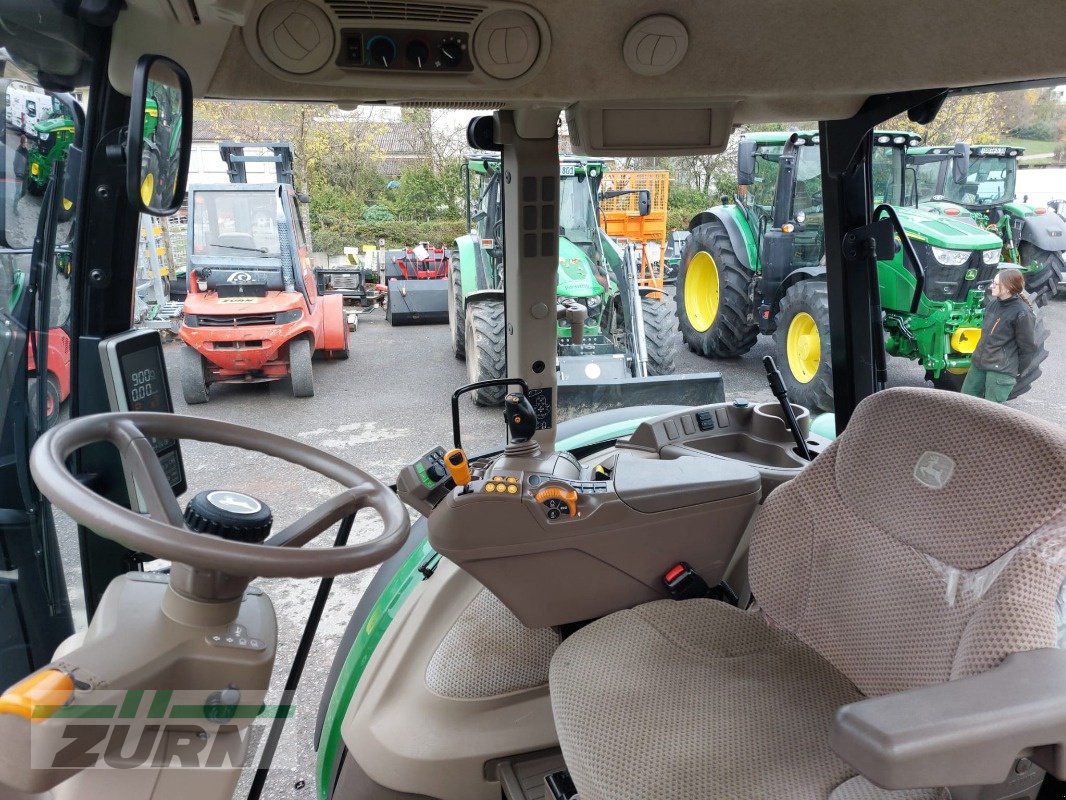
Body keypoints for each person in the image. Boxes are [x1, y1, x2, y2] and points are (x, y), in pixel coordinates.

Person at [961, 268, 1039, 403]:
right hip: (979, 365)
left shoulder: (1022, 313)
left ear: (1008, 287)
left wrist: (1011, 370)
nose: (992, 286)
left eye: (996, 284)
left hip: (1000, 372)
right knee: (964, 404)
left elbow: (1028, 348)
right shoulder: (993, 304)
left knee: (991, 415)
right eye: (993, 282)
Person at [12, 134, 28, 213]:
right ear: (22, 142)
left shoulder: (26, 150)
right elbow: (15, 163)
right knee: (18, 191)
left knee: (23, 192)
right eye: (25, 142)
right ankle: (15, 208)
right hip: (19, 175)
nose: (26, 144)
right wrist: (18, 174)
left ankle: (16, 200)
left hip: (25, 175)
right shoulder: (18, 151)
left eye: (27, 142)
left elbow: (27, 162)